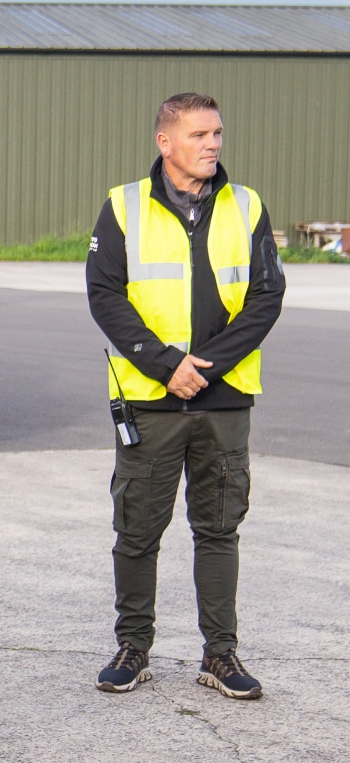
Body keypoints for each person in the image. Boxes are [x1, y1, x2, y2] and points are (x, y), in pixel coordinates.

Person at [86, 92, 284, 699]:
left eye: (218, 133)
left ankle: (220, 655)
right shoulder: (123, 207)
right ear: (165, 142)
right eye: (199, 135)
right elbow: (105, 296)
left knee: (219, 529)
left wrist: (209, 368)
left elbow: (266, 297)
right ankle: (133, 647)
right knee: (137, 531)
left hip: (222, 403)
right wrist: (167, 365)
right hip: (151, 400)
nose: (213, 144)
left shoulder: (246, 206)